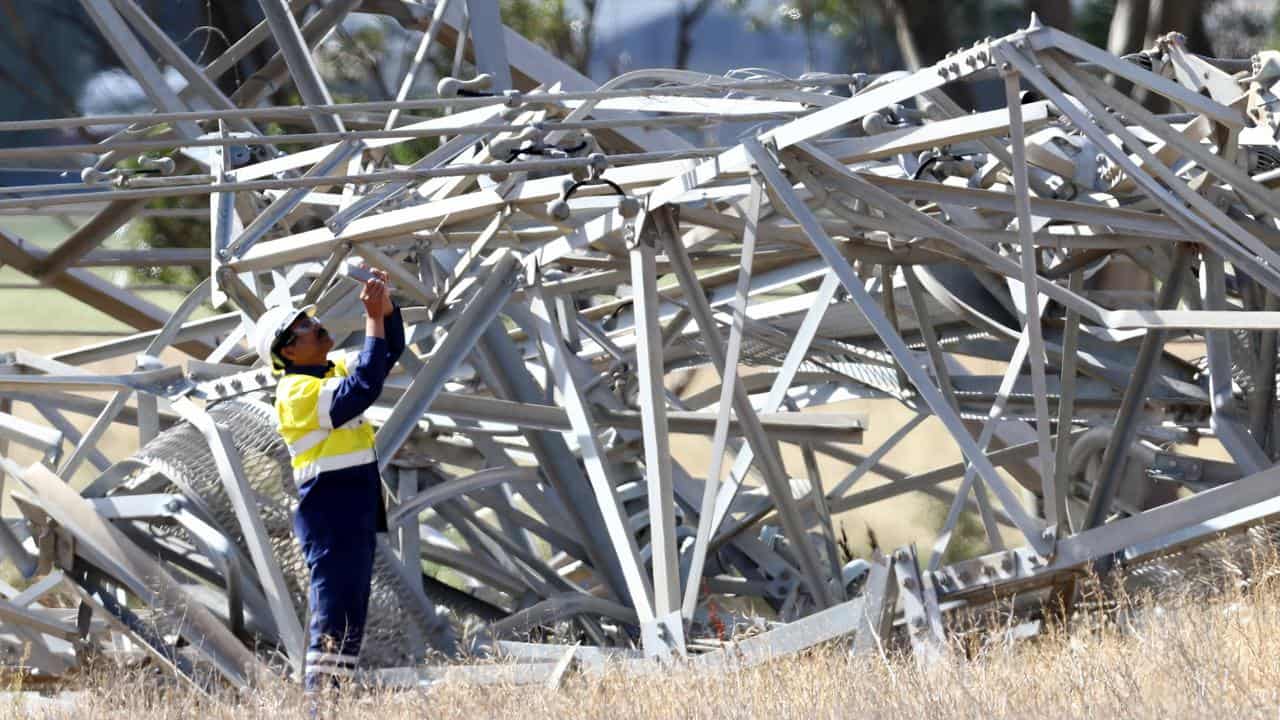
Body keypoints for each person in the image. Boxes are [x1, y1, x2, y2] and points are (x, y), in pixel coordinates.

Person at [251, 268, 403, 692]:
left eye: (311, 320)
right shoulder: (296, 392)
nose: (317, 326)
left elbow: (384, 355)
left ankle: (334, 701)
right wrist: (372, 317)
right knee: (334, 617)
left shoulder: (327, 369)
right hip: (331, 515)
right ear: (287, 351)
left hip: (351, 512)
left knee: (350, 615)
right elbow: (365, 386)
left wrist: (386, 312)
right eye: (304, 327)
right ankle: (321, 705)